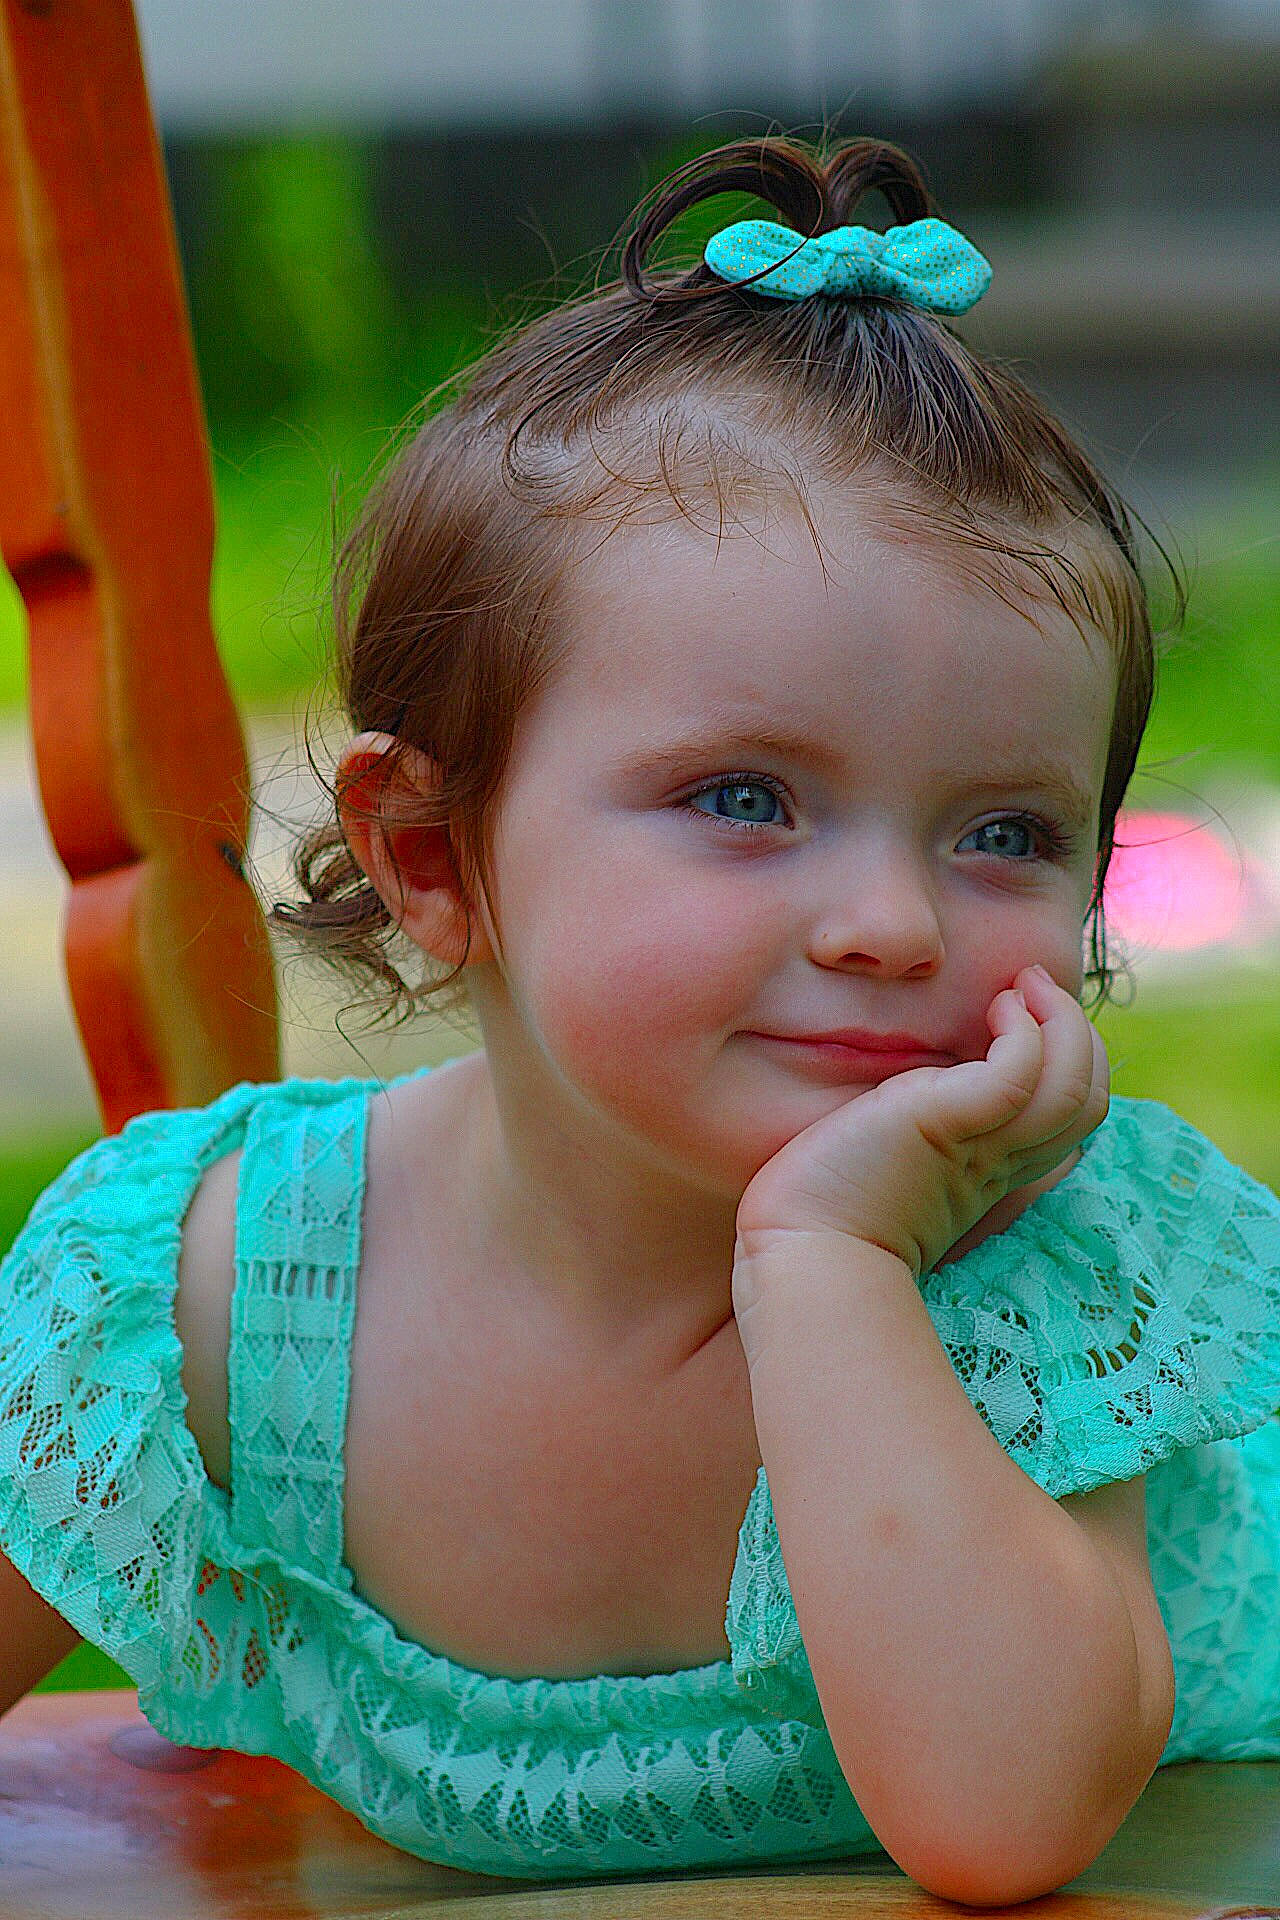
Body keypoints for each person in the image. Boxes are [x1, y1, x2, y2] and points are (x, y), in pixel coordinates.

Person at [1, 134, 1277, 1905]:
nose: (893, 923)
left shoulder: (1039, 1257)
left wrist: (832, 1261)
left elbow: (1003, 1823)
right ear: (434, 854)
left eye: (1006, 834)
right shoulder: (222, 1294)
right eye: (746, 798)